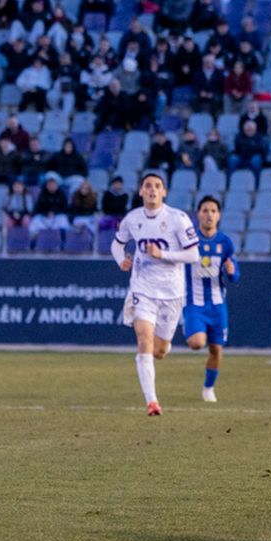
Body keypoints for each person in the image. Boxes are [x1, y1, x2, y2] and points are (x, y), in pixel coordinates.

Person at [112, 172, 201, 416]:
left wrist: (163, 255)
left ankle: (162, 347)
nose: (152, 190)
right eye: (148, 186)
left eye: (157, 186)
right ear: (141, 191)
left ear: (164, 192)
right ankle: (152, 402)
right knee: (144, 339)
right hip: (143, 288)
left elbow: (194, 254)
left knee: (159, 351)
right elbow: (117, 244)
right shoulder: (133, 219)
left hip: (172, 292)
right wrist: (121, 260)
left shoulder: (177, 219)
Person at [184, 195, 239, 403]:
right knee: (197, 343)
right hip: (194, 304)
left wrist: (232, 272)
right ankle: (191, 330)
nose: (209, 215)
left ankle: (208, 388)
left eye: (213, 211)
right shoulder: (189, 241)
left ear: (219, 215)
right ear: (198, 214)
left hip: (217, 305)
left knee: (216, 349)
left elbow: (235, 276)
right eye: (205, 210)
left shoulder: (225, 242)